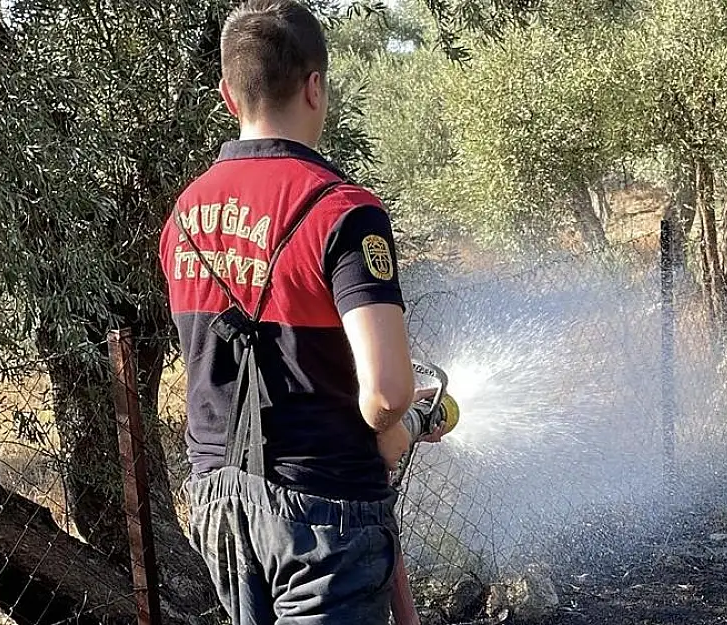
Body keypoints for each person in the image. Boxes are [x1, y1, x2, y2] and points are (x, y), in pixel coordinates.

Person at [158, 1, 439, 623]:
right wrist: (411, 422)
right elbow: (388, 392)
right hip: (322, 518)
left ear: (230, 95)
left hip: (219, 504)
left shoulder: (183, 216)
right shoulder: (344, 212)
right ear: (316, 86)